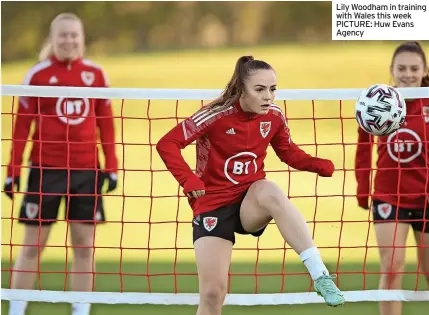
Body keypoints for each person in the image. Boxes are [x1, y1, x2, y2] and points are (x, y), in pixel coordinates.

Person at [156, 55, 345, 314]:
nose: (268, 96)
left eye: (273, 89)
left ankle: (320, 274)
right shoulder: (214, 115)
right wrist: (188, 179)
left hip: (250, 201)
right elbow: (167, 143)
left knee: (270, 190)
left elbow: (287, 151)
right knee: (212, 294)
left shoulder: (274, 116)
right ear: (241, 90)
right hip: (212, 205)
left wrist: (316, 164)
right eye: (260, 89)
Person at [3, 13, 118, 315]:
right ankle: (15, 310)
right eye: (63, 35)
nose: (69, 40)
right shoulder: (37, 75)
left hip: (86, 172)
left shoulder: (96, 74)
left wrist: (111, 166)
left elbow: (105, 124)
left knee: (83, 246)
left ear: (82, 38)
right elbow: (20, 128)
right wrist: (12, 172)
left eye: (74, 35)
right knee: (32, 246)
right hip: (45, 171)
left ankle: (80, 311)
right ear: (52, 39)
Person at [355, 41, 429, 315]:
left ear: (424, 71)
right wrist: (364, 191)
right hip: (389, 197)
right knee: (392, 267)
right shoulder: (375, 102)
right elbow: (363, 150)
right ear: (392, 70)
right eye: (402, 68)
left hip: (427, 198)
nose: (408, 74)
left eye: (414, 68)